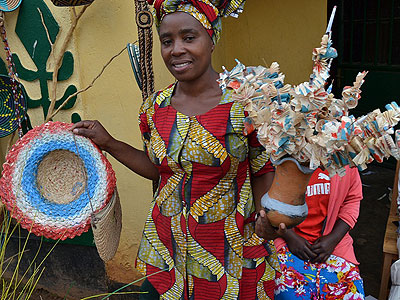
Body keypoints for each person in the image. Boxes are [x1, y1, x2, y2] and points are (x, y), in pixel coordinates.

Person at [72, 1, 283, 299]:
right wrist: (109, 143)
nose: (176, 50)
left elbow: (264, 170)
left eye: (189, 37)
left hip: (229, 249)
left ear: (211, 39)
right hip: (167, 246)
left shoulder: (244, 105)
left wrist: (267, 218)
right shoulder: (154, 108)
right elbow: (158, 170)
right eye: (167, 41)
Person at [273, 166, 365, 300]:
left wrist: (333, 239)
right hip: (288, 242)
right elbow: (268, 204)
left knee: (352, 294)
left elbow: (352, 200)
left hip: (335, 245)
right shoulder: (283, 159)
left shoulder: (345, 161)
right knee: (287, 293)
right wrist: (289, 236)